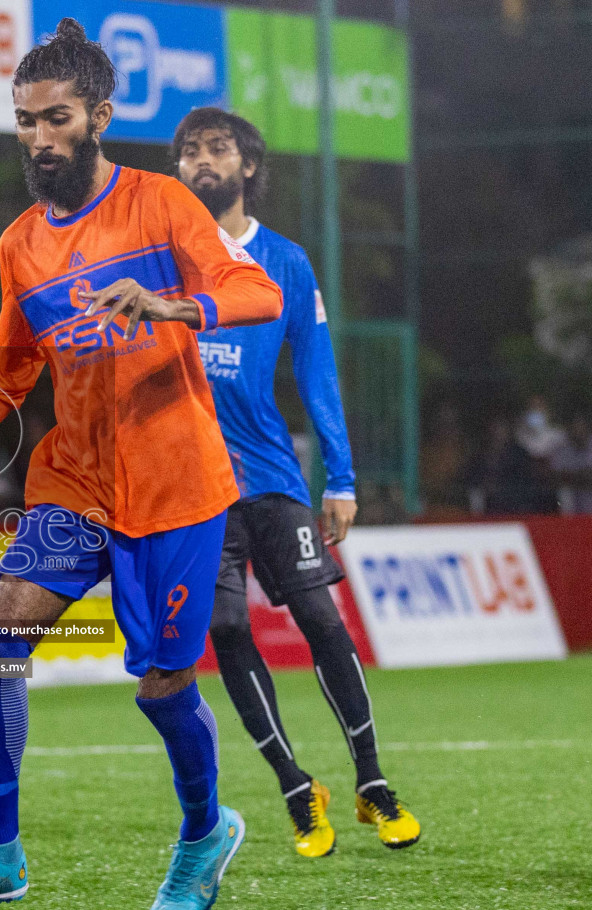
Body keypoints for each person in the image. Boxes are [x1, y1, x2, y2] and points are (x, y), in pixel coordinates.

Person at [0, 20, 282, 910]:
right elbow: (5, 373)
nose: (39, 139)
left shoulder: (162, 204)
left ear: (99, 117)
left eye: (56, 119)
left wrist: (173, 302)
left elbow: (258, 294)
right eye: (24, 122)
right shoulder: (21, 244)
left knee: (164, 687)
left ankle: (205, 834)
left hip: (177, 489)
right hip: (75, 485)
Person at [173, 107, 419, 858]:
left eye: (218, 149)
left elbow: (316, 372)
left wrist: (340, 478)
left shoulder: (285, 261)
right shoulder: (162, 256)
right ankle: (292, 784)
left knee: (322, 619)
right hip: (190, 485)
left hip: (273, 475)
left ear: (248, 167)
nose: (201, 162)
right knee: (222, 630)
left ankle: (373, 784)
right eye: (189, 153)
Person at [550, 414, 592, 515]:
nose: (578, 431)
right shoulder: (562, 450)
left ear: (588, 427)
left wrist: (575, 476)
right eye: (574, 427)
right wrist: (582, 476)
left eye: (581, 426)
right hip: (574, 513)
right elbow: (557, 477)